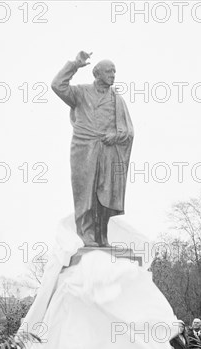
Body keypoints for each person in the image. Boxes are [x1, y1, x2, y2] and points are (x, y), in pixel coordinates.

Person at [52, 51, 134, 247]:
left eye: (114, 71)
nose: (113, 75)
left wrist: (116, 136)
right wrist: (74, 65)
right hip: (83, 147)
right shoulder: (81, 93)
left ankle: (101, 235)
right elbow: (57, 85)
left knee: (105, 194)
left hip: (107, 150)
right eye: (109, 71)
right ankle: (85, 234)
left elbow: (129, 130)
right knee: (84, 192)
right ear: (97, 74)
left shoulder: (117, 100)